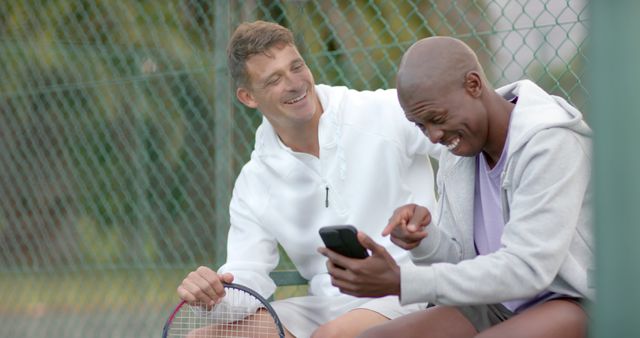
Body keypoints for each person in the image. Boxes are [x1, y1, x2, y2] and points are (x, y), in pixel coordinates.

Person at [176, 21, 441, 338]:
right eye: (274, 79)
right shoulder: (253, 182)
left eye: (296, 66)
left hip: (409, 289)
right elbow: (247, 279)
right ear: (248, 97)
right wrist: (213, 294)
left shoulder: (382, 111)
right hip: (325, 306)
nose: (294, 83)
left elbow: (464, 133)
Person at [319, 36, 594, 338]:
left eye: (437, 119)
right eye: (421, 126)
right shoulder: (460, 152)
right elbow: (465, 265)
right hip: (496, 304)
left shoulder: (550, 142)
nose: (434, 136)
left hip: (575, 303)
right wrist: (424, 240)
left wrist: (402, 281)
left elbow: (529, 269)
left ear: (473, 85)